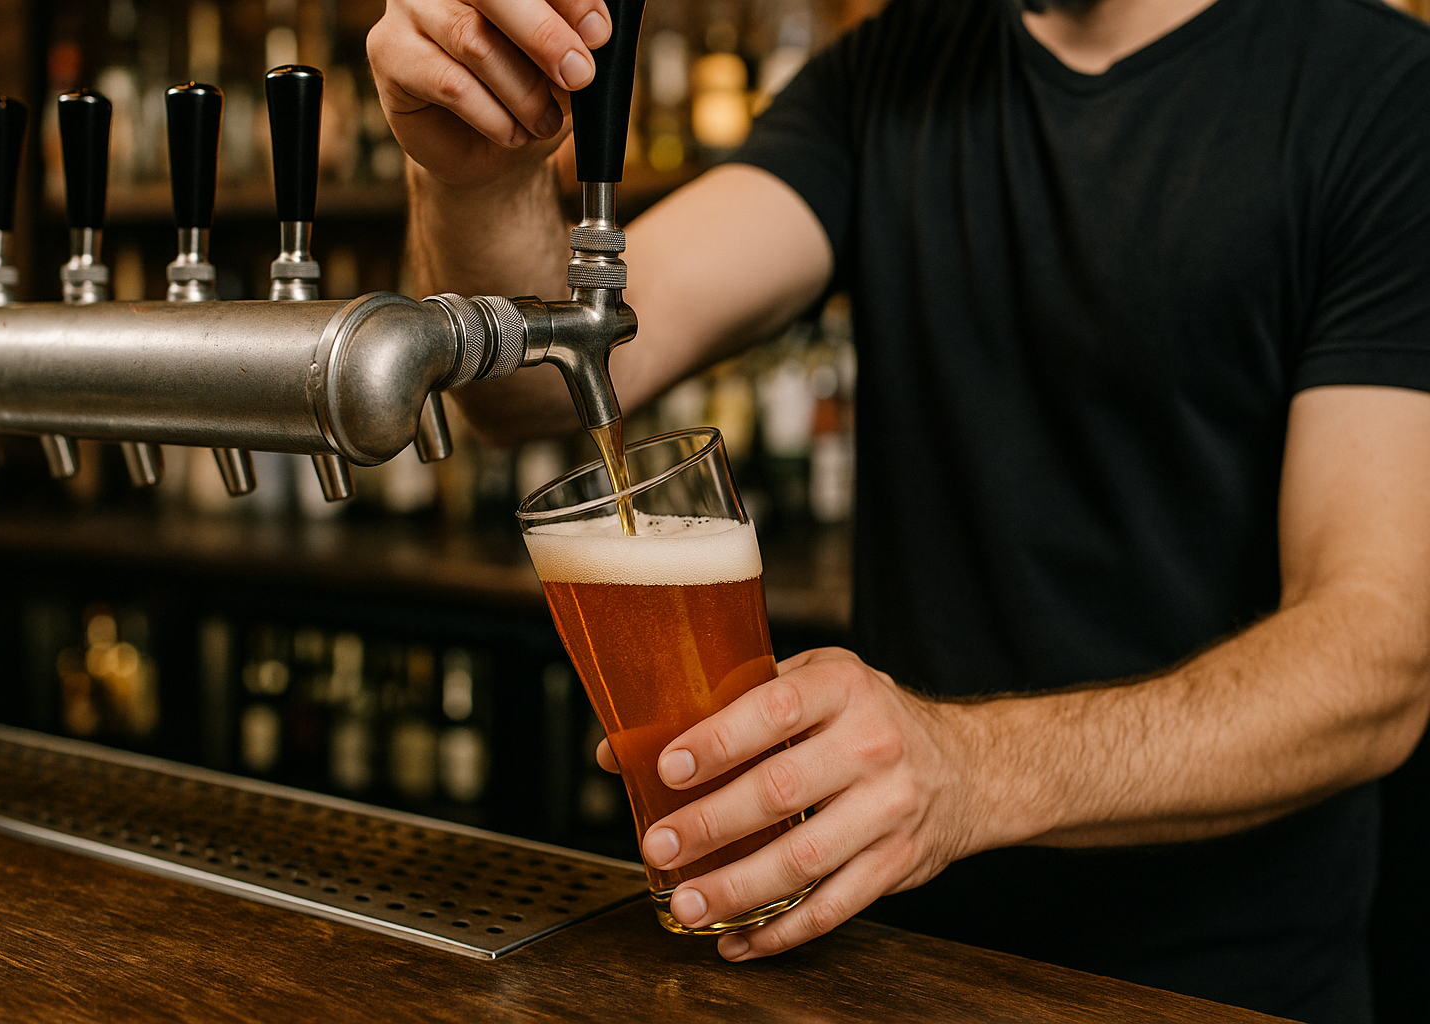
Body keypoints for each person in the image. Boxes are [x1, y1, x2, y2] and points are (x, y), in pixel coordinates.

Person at [366, 0, 1430, 1019]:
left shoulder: (1381, 94)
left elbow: (1377, 657)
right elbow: (537, 383)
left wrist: (968, 769)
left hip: (1218, 993)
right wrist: (478, 174)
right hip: (898, 968)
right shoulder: (894, 73)